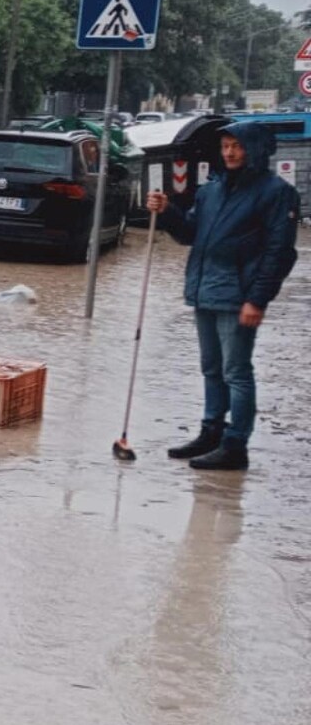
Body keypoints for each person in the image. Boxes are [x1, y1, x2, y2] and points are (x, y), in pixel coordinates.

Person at [145, 119, 298, 471]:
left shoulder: (276, 192)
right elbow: (190, 234)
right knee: (211, 368)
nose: (229, 152)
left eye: (237, 146)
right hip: (205, 289)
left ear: (254, 149)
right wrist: (167, 212)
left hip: (239, 295)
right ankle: (210, 431)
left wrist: (257, 299)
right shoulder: (211, 190)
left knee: (236, 371)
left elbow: (280, 252)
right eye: (225, 146)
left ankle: (235, 445)